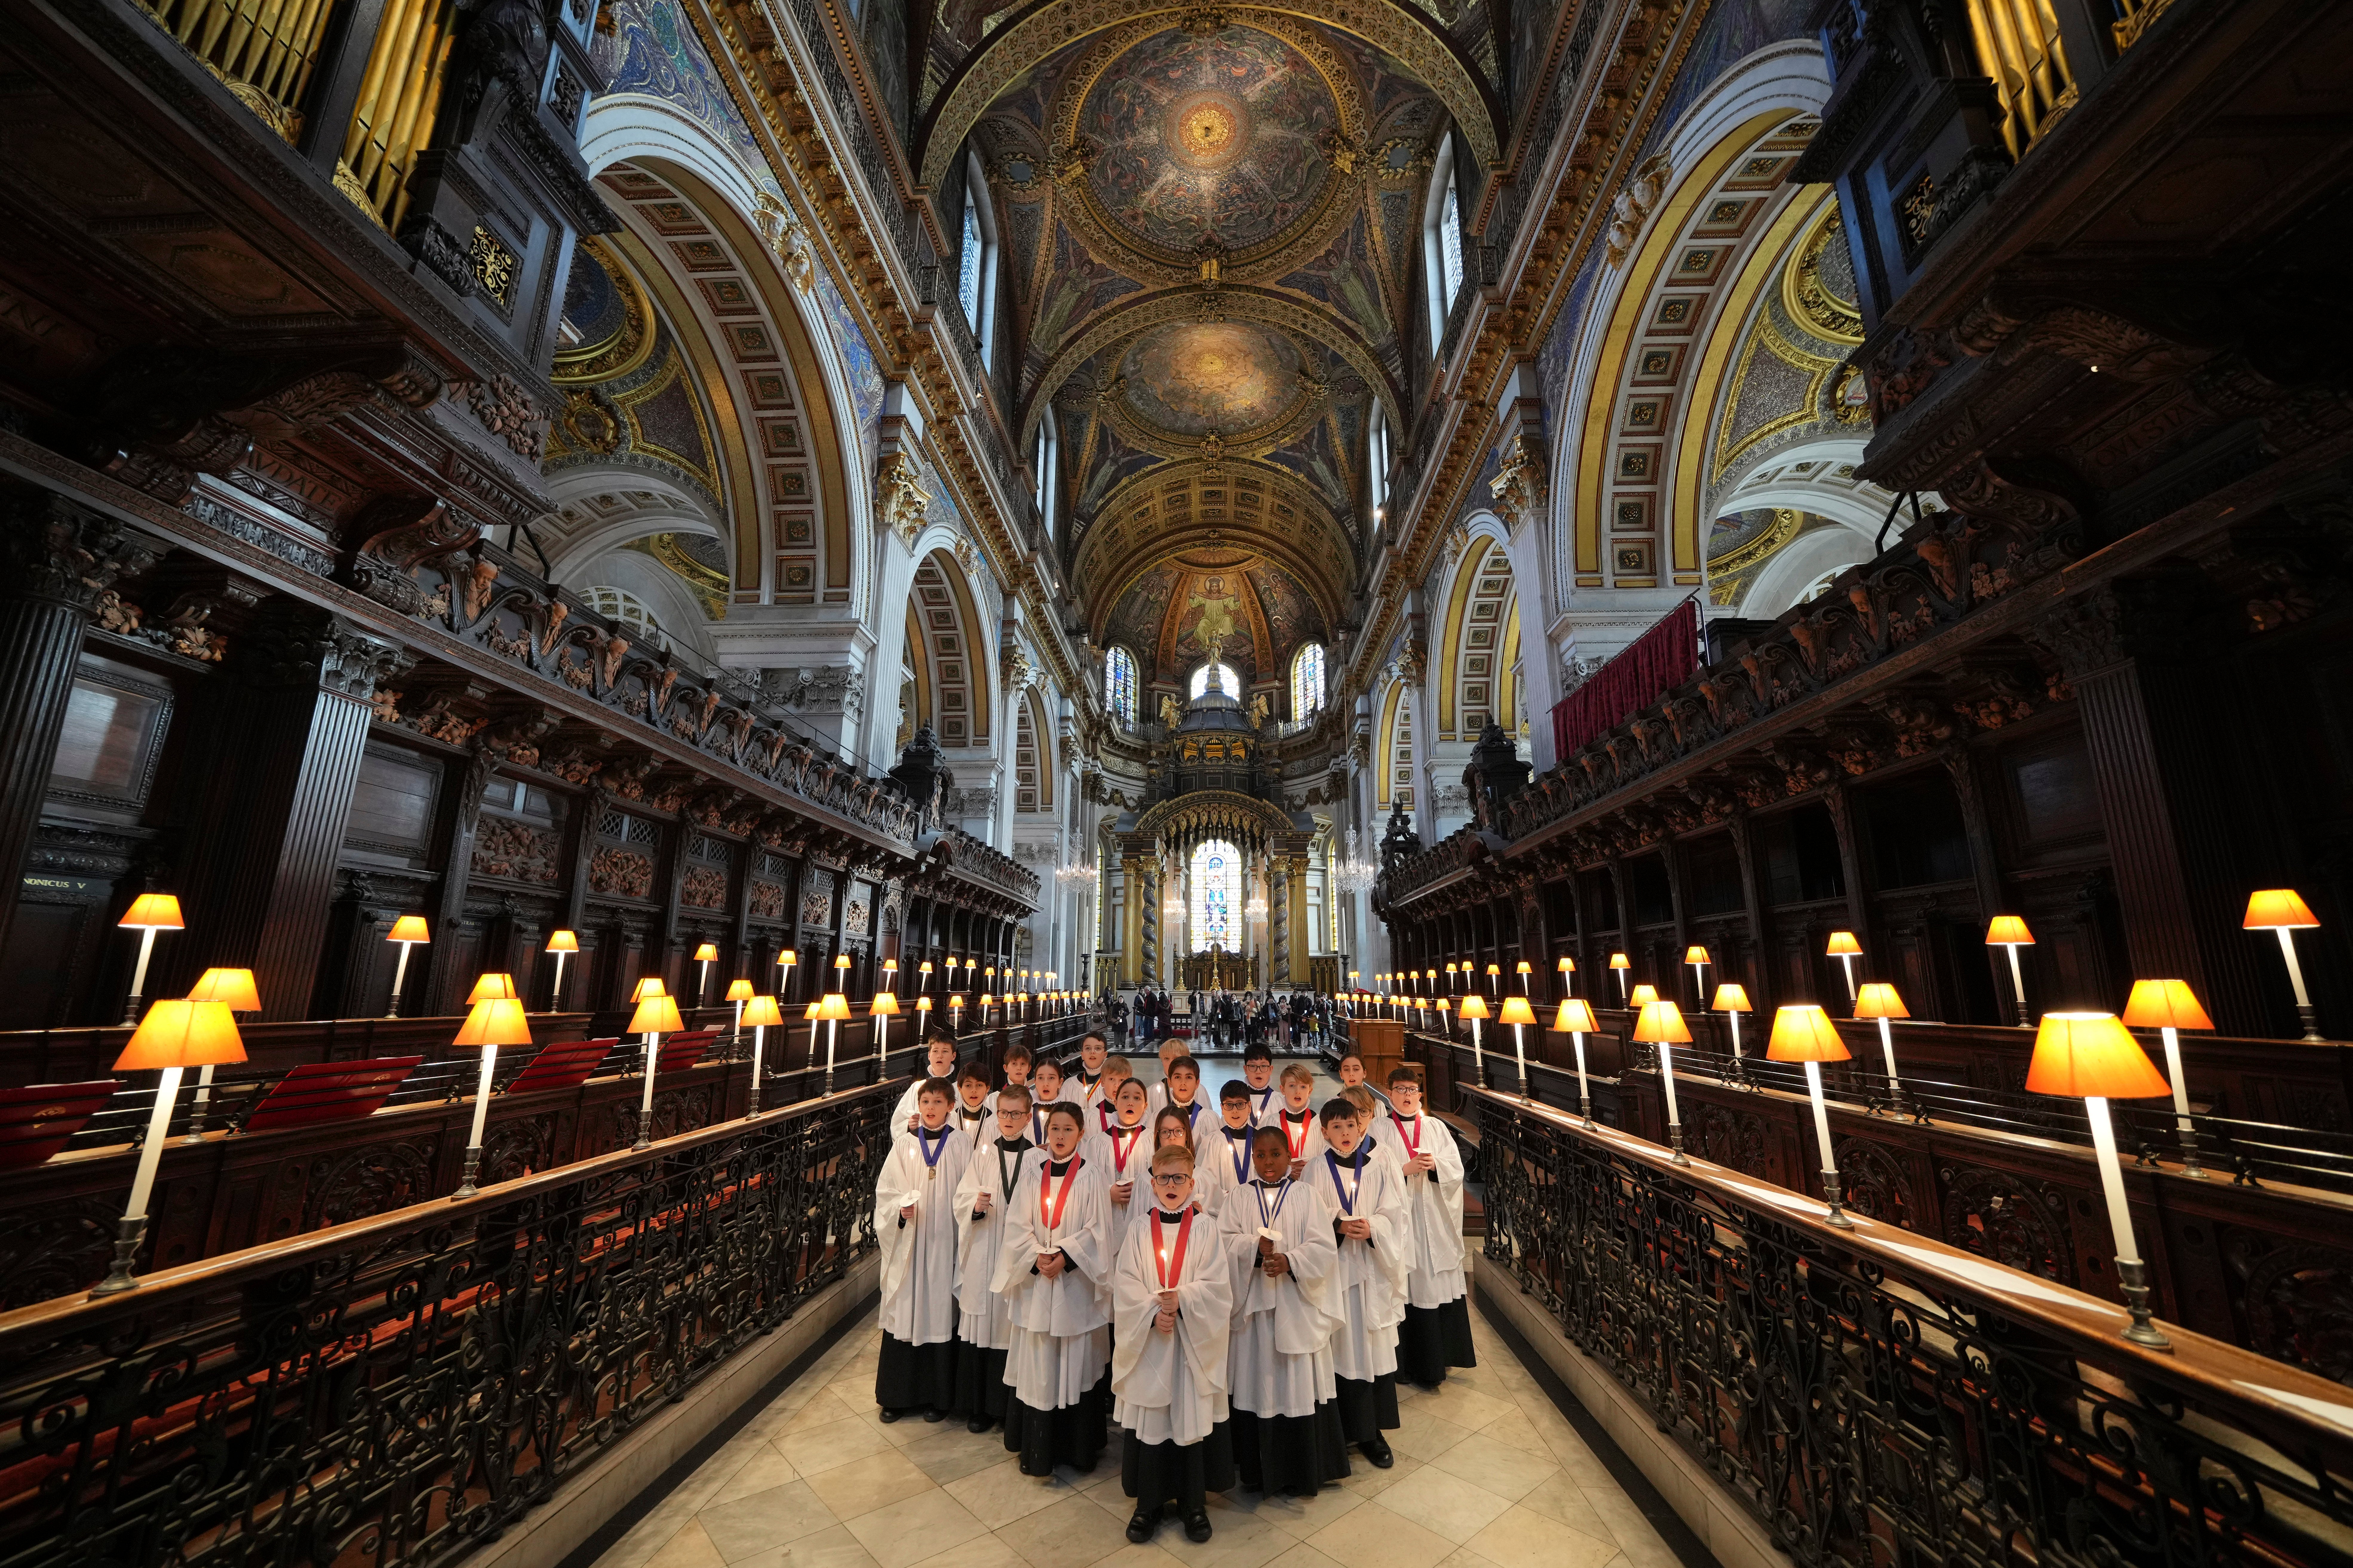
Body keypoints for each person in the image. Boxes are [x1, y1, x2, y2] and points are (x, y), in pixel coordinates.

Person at [1113, 1145, 1234, 1543]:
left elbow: (1218, 1286)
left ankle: (1192, 1504)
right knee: (1152, 1422)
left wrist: (1181, 1301)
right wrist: (1151, 1312)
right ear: (1152, 1183)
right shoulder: (1137, 1229)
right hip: (1151, 1343)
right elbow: (1126, 1283)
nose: (1170, 1185)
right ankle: (1147, 1504)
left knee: (1186, 1422)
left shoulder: (1204, 1228)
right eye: (1163, 1178)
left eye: (1178, 1178)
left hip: (1188, 1345)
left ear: (1192, 1183)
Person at [1224, 1126, 1348, 1496]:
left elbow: (1324, 1247)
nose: (1268, 1162)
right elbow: (1224, 1241)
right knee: (1256, 1381)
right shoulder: (1239, 1197)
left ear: (1288, 1153)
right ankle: (1257, 1470)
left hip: (1297, 1306)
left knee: (1297, 1382)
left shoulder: (1306, 1194)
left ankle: (1302, 1469)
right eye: (1260, 1155)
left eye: (1275, 1154)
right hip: (1256, 1312)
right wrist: (1252, 1248)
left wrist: (1290, 1261)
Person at [994, 1103, 1115, 1474]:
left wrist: (1067, 1255)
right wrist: (1036, 1256)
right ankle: (1037, 1448)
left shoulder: (1092, 1175)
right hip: (1038, 1286)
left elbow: (1100, 1231)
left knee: (1074, 1361)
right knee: (1039, 1360)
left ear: (1081, 1133)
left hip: (1074, 1287)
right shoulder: (1033, 1174)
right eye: (1055, 1129)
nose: (1060, 1136)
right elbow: (1016, 1226)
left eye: (1068, 1129)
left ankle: (1077, 1449)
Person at [1366, 1068, 1475, 1389]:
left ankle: (1434, 1361)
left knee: (1430, 1280)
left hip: (1432, 1220)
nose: (1407, 1095)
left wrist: (1436, 1167)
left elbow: (1456, 1169)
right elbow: (1371, 1173)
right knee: (1403, 1281)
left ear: (1420, 1094)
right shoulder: (1379, 1128)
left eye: (1412, 1089)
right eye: (1400, 1089)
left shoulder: (1435, 1127)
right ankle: (1402, 1366)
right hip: (1399, 1219)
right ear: (1390, 1092)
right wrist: (1403, 1170)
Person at [1313, 1097, 1406, 1468]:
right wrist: (1336, 1226)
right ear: (1325, 1132)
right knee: (1341, 1350)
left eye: (1350, 1126)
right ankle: (1341, 1431)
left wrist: (1373, 1227)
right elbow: (1306, 1219)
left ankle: (1372, 1432)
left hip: (1369, 1272)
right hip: (1336, 1275)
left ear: (1360, 1127)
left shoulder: (1377, 1167)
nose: (1345, 1133)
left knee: (1371, 1349)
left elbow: (1394, 1214)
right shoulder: (1315, 1172)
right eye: (1336, 1127)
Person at [874, 1077, 969, 1422]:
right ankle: (896, 1396)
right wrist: (900, 1208)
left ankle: (937, 1397)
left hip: (944, 1242)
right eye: (925, 1102)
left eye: (938, 1102)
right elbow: (886, 1191)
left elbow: (968, 1190)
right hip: (911, 1246)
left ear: (951, 1106)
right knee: (906, 1308)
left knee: (939, 1311)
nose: (931, 1108)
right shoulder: (904, 1144)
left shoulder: (961, 1144)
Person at [956, 1083, 1043, 1431]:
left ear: (1028, 1116)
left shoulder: (1038, 1157)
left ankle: (1009, 1408)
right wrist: (973, 1207)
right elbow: (962, 1195)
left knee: (1011, 1329)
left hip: (1018, 1254)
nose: (1009, 1119)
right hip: (985, 1250)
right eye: (1003, 1113)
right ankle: (979, 1407)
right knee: (984, 1326)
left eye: (1017, 1113)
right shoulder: (983, 1154)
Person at [1087, 1074, 1154, 1250]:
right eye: (1125, 1097)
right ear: (1115, 1104)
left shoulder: (1154, 1141)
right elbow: (1087, 1184)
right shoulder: (1097, 1143)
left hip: (1144, 1221)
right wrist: (1107, 1192)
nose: (1130, 1102)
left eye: (1137, 1098)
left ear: (1145, 1106)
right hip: (1108, 1220)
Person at [1198, 1079, 1257, 1219]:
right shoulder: (1211, 1142)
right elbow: (1205, 1184)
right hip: (1224, 1213)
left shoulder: (1261, 1140)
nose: (1235, 1110)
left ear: (1250, 1106)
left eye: (1240, 1105)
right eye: (1229, 1105)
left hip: (1256, 1211)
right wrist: (1228, 1197)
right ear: (1222, 1108)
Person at [893, 1032, 963, 1132]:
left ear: (954, 1056)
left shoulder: (960, 1090)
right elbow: (897, 1123)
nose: (940, 1056)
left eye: (945, 1052)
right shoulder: (918, 1088)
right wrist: (908, 1126)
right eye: (935, 1051)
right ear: (929, 1055)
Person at [1272, 1062, 1325, 1177]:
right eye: (1292, 1086)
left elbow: (1326, 1159)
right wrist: (1284, 1168)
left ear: (1310, 1091)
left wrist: (1310, 1168)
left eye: (1303, 1087)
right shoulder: (1272, 1123)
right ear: (1282, 1089)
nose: (1298, 1092)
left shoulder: (1319, 1124)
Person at [1151, 1054, 1209, 1139]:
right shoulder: (1157, 1118)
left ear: (1197, 1083)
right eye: (1178, 1077)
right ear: (1170, 1082)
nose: (1183, 1083)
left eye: (1189, 1077)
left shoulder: (1209, 1119)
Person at [950, 1059, 995, 1149]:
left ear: (987, 1089)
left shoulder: (994, 1122)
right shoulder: (951, 1120)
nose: (974, 1090)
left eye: (979, 1085)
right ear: (960, 1089)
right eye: (968, 1086)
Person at [1028, 1056, 1070, 1144]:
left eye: (1051, 1078)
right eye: (1041, 1078)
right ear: (1035, 1082)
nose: (1046, 1084)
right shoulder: (1027, 1113)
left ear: (1060, 1082)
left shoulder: (1069, 1113)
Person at [1239, 1043, 1280, 1126]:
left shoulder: (1280, 1101)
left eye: (1264, 1066)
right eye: (1253, 1066)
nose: (1258, 1072)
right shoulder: (1237, 1101)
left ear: (1271, 1070)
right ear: (1245, 1069)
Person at [1073, 1032, 1112, 1108]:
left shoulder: (1113, 1085)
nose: (1093, 1052)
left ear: (1105, 1055)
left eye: (1098, 1049)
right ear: (1082, 1055)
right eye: (1088, 1048)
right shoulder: (1071, 1085)